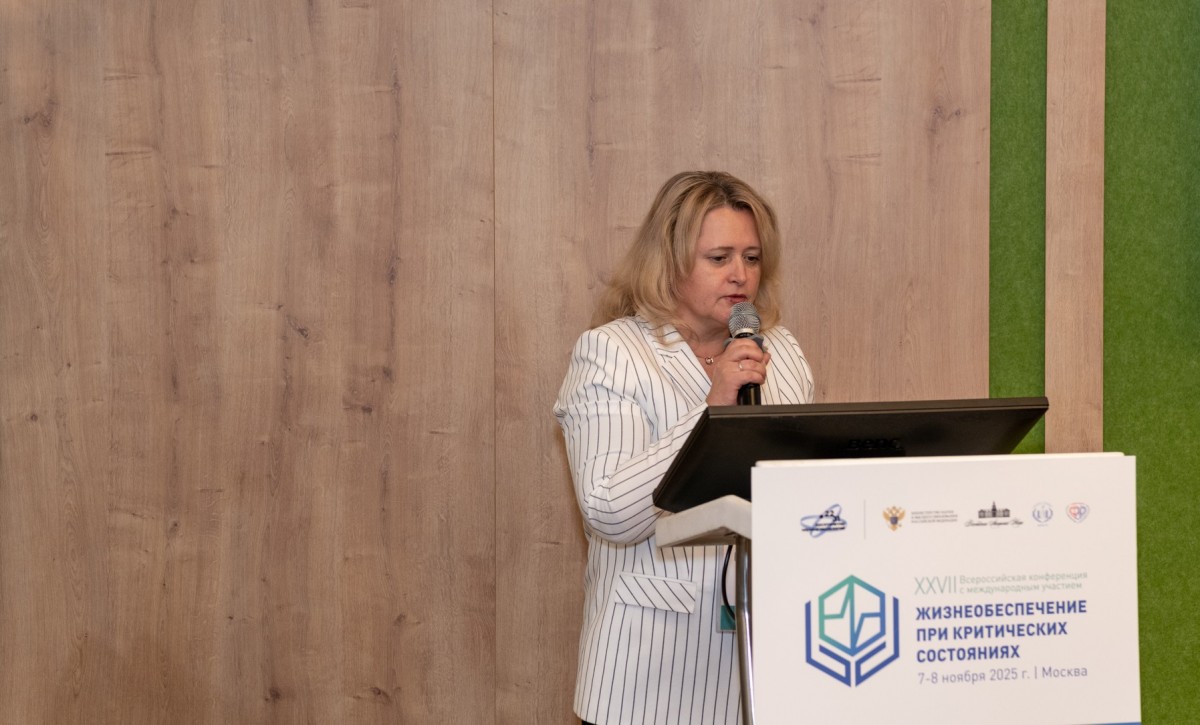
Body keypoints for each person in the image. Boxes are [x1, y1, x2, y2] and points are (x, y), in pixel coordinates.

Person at [554, 171, 815, 725]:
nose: (740, 274)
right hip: (651, 673)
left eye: (751, 257)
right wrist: (710, 408)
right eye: (719, 258)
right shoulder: (613, 353)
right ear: (669, 263)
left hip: (769, 669)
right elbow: (609, 511)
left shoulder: (783, 351)